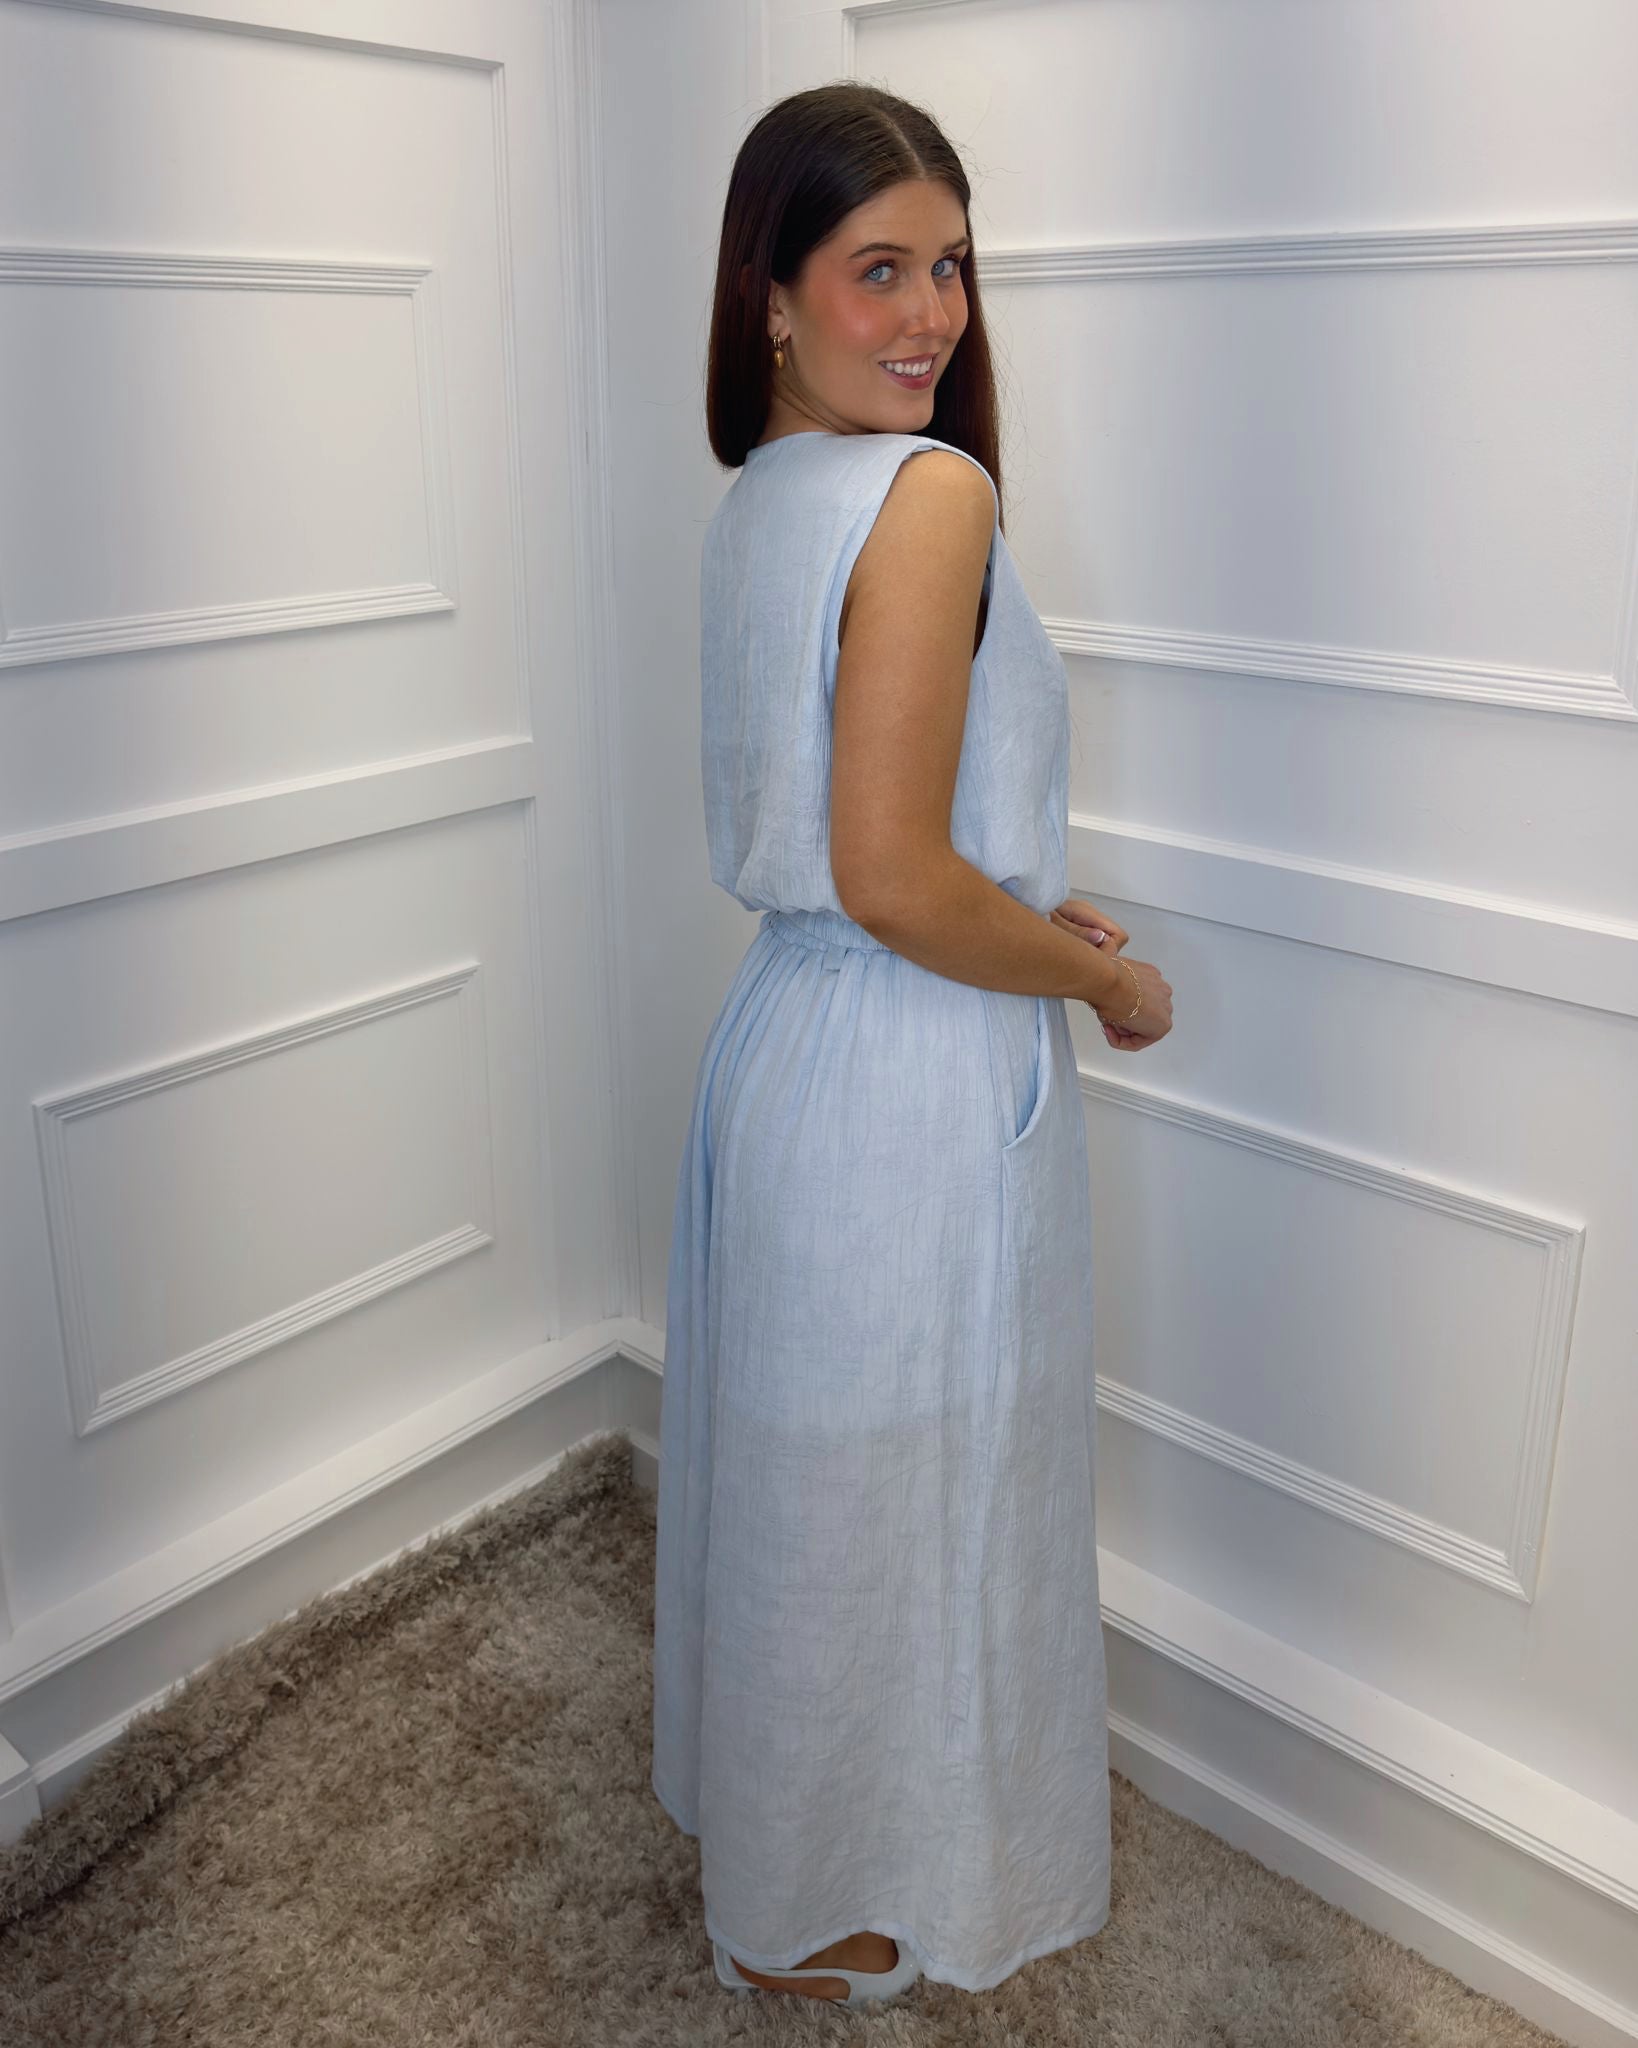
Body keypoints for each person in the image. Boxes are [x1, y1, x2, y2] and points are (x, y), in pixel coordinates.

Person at [650, 81, 1175, 2011]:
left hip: (790, 1044)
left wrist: (1029, 905)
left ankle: (786, 1869)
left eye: (950, 266)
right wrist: (1097, 986)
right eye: (878, 269)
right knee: (911, 1492)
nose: (933, 314)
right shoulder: (929, 494)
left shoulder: (764, 501)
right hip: (909, 1073)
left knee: (818, 1491)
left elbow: (863, 847)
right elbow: (887, 872)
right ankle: (832, 1908)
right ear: (772, 295)